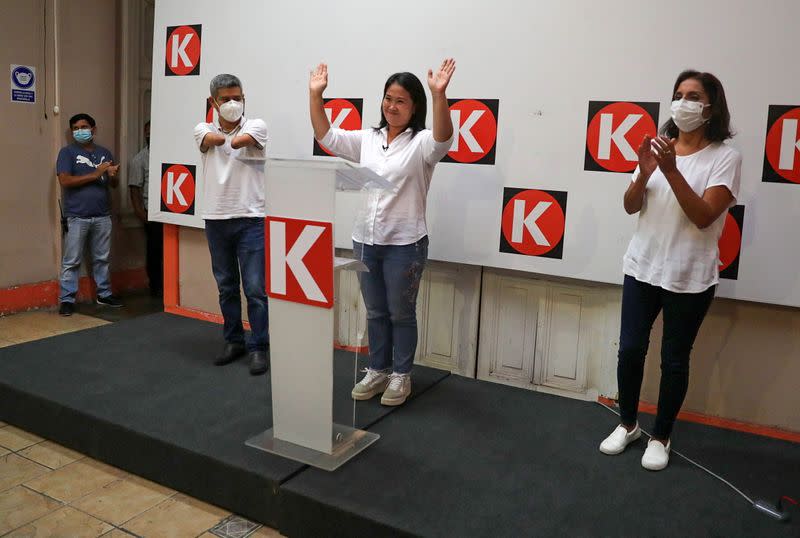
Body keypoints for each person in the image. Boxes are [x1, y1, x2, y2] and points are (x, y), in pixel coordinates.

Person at [599, 70, 741, 470]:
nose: (683, 102)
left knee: (674, 360)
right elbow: (630, 206)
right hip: (642, 268)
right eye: (678, 94)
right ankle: (627, 424)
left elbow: (703, 215)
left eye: (693, 95)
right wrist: (645, 171)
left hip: (689, 277)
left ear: (711, 107)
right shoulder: (659, 149)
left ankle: (660, 435)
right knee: (629, 350)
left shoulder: (725, 158)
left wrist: (672, 170)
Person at [309, 59, 455, 406]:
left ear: (414, 105)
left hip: (405, 243)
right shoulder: (368, 139)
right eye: (388, 98)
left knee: (400, 313)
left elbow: (443, 137)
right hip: (366, 241)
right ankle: (378, 369)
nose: (392, 106)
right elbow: (325, 136)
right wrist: (316, 96)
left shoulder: (421, 143)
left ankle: (401, 376)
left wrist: (440, 96)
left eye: (401, 100)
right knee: (375, 312)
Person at [193, 74, 269, 376]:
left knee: (255, 289)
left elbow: (239, 141)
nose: (233, 103)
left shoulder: (256, 126)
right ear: (213, 102)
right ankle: (233, 340)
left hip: (251, 219)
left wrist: (227, 135)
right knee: (226, 287)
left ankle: (259, 346)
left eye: (237, 97)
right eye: (225, 99)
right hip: (216, 219)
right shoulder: (202, 129)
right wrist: (220, 135)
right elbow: (210, 139)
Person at [57, 113, 122, 316]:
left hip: (102, 216)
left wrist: (112, 177)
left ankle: (104, 294)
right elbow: (65, 181)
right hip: (77, 216)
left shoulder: (104, 153)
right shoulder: (67, 153)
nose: (79, 131)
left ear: (93, 129)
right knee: (72, 260)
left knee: (102, 258)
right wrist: (95, 173)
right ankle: (67, 299)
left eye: (83, 127)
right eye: (75, 128)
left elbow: (113, 185)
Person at [128, 121, 163, 296]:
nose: (150, 135)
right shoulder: (139, 160)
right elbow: (134, 189)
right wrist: (141, 215)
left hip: (171, 211)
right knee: (154, 252)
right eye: (147, 132)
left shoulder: (168, 154)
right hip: (152, 214)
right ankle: (156, 287)